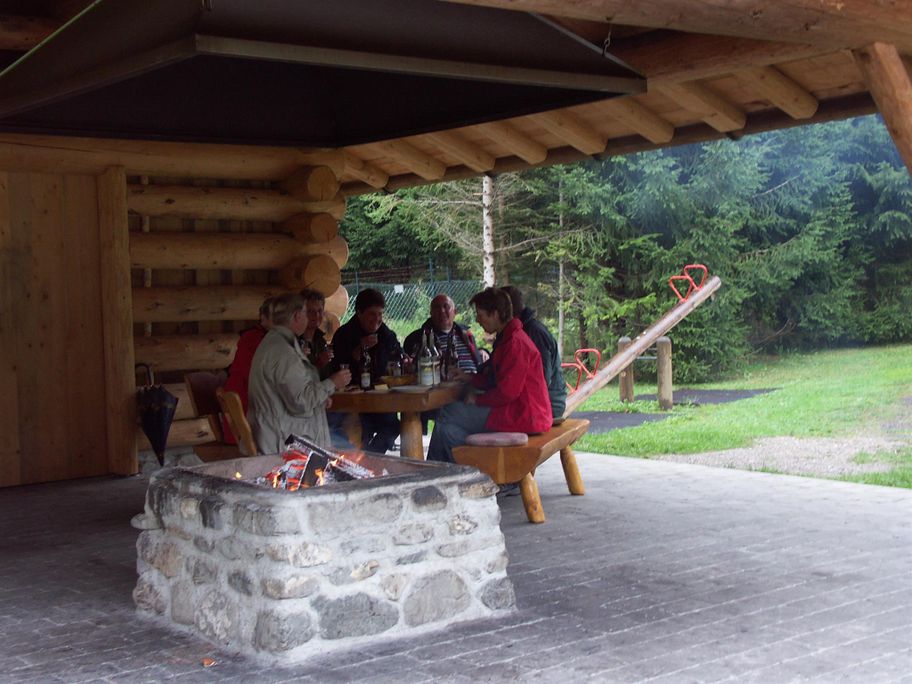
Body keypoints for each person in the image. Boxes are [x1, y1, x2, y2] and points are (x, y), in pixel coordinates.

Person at [427, 287, 552, 464]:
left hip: (524, 415)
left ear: (495, 314)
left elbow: (507, 392)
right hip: (518, 410)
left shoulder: (515, 343)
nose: (477, 319)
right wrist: (469, 377)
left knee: (448, 414)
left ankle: (435, 472)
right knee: (447, 431)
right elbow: (498, 378)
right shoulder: (509, 337)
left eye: (480, 314)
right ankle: (463, 470)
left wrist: (477, 400)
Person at [247, 292, 350, 455]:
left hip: (275, 430)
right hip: (283, 441)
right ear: (296, 316)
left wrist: (319, 398)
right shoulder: (284, 353)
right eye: (305, 314)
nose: (308, 319)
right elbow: (301, 403)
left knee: (343, 442)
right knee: (348, 452)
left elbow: (292, 394)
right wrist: (332, 383)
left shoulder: (274, 342)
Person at [330, 288, 402, 453]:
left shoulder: (385, 334)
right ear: (359, 313)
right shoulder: (344, 335)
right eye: (372, 314)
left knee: (393, 426)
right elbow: (337, 368)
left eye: (380, 314)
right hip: (353, 402)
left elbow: (398, 355)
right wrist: (358, 350)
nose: (377, 319)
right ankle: (364, 460)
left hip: (379, 398)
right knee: (360, 429)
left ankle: (369, 458)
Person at [500, 285, 567, 423]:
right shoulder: (517, 331)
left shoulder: (533, 333)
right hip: (538, 402)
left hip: (549, 404)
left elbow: (542, 379)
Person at [221, 297, 273, 444]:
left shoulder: (258, 338)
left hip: (247, 424)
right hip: (245, 432)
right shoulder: (256, 340)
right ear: (263, 318)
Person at [403, 294, 482, 374]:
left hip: (474, 382)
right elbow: (409, 364)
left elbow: (478, 358)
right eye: (437, 308)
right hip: (440, 384)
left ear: (455, 312)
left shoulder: (466, 334)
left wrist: (482, 351)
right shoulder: (418, 338)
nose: (442, 311)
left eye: (446, 306)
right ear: (431, 313)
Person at [298, 288, 334, 379]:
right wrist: (318, 364)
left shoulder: (321, 341)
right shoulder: (294, 341)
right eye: (310, 311)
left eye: (319, 311)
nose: (317, 315)